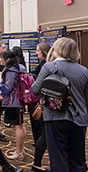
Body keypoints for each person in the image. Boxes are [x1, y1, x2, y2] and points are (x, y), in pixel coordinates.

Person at [31, 38, 88, 172]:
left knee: (58, 157)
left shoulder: (49, 67)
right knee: (77, 158)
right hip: (79, 119)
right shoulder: (84, 71)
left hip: (55, 117)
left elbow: (35, 89)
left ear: (57, 51)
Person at [0, 51, 27, 160]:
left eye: (2, 58)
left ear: (7, 60)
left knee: (17, 126)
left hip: (13, 102)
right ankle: (21, 150)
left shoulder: (11, 71)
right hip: (17, 101)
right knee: (20, 125)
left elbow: (7, 89)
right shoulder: (18, 68)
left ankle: (18, 151)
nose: (0, 60)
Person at [30, 42, 51, 172]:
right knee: (45, 133)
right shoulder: (45, 63)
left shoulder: (46, 65)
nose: (36, 53)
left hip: (44, 101)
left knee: (44, 133)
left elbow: (36, 85)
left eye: (38, 50)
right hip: (46, 102)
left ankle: (37, 163)